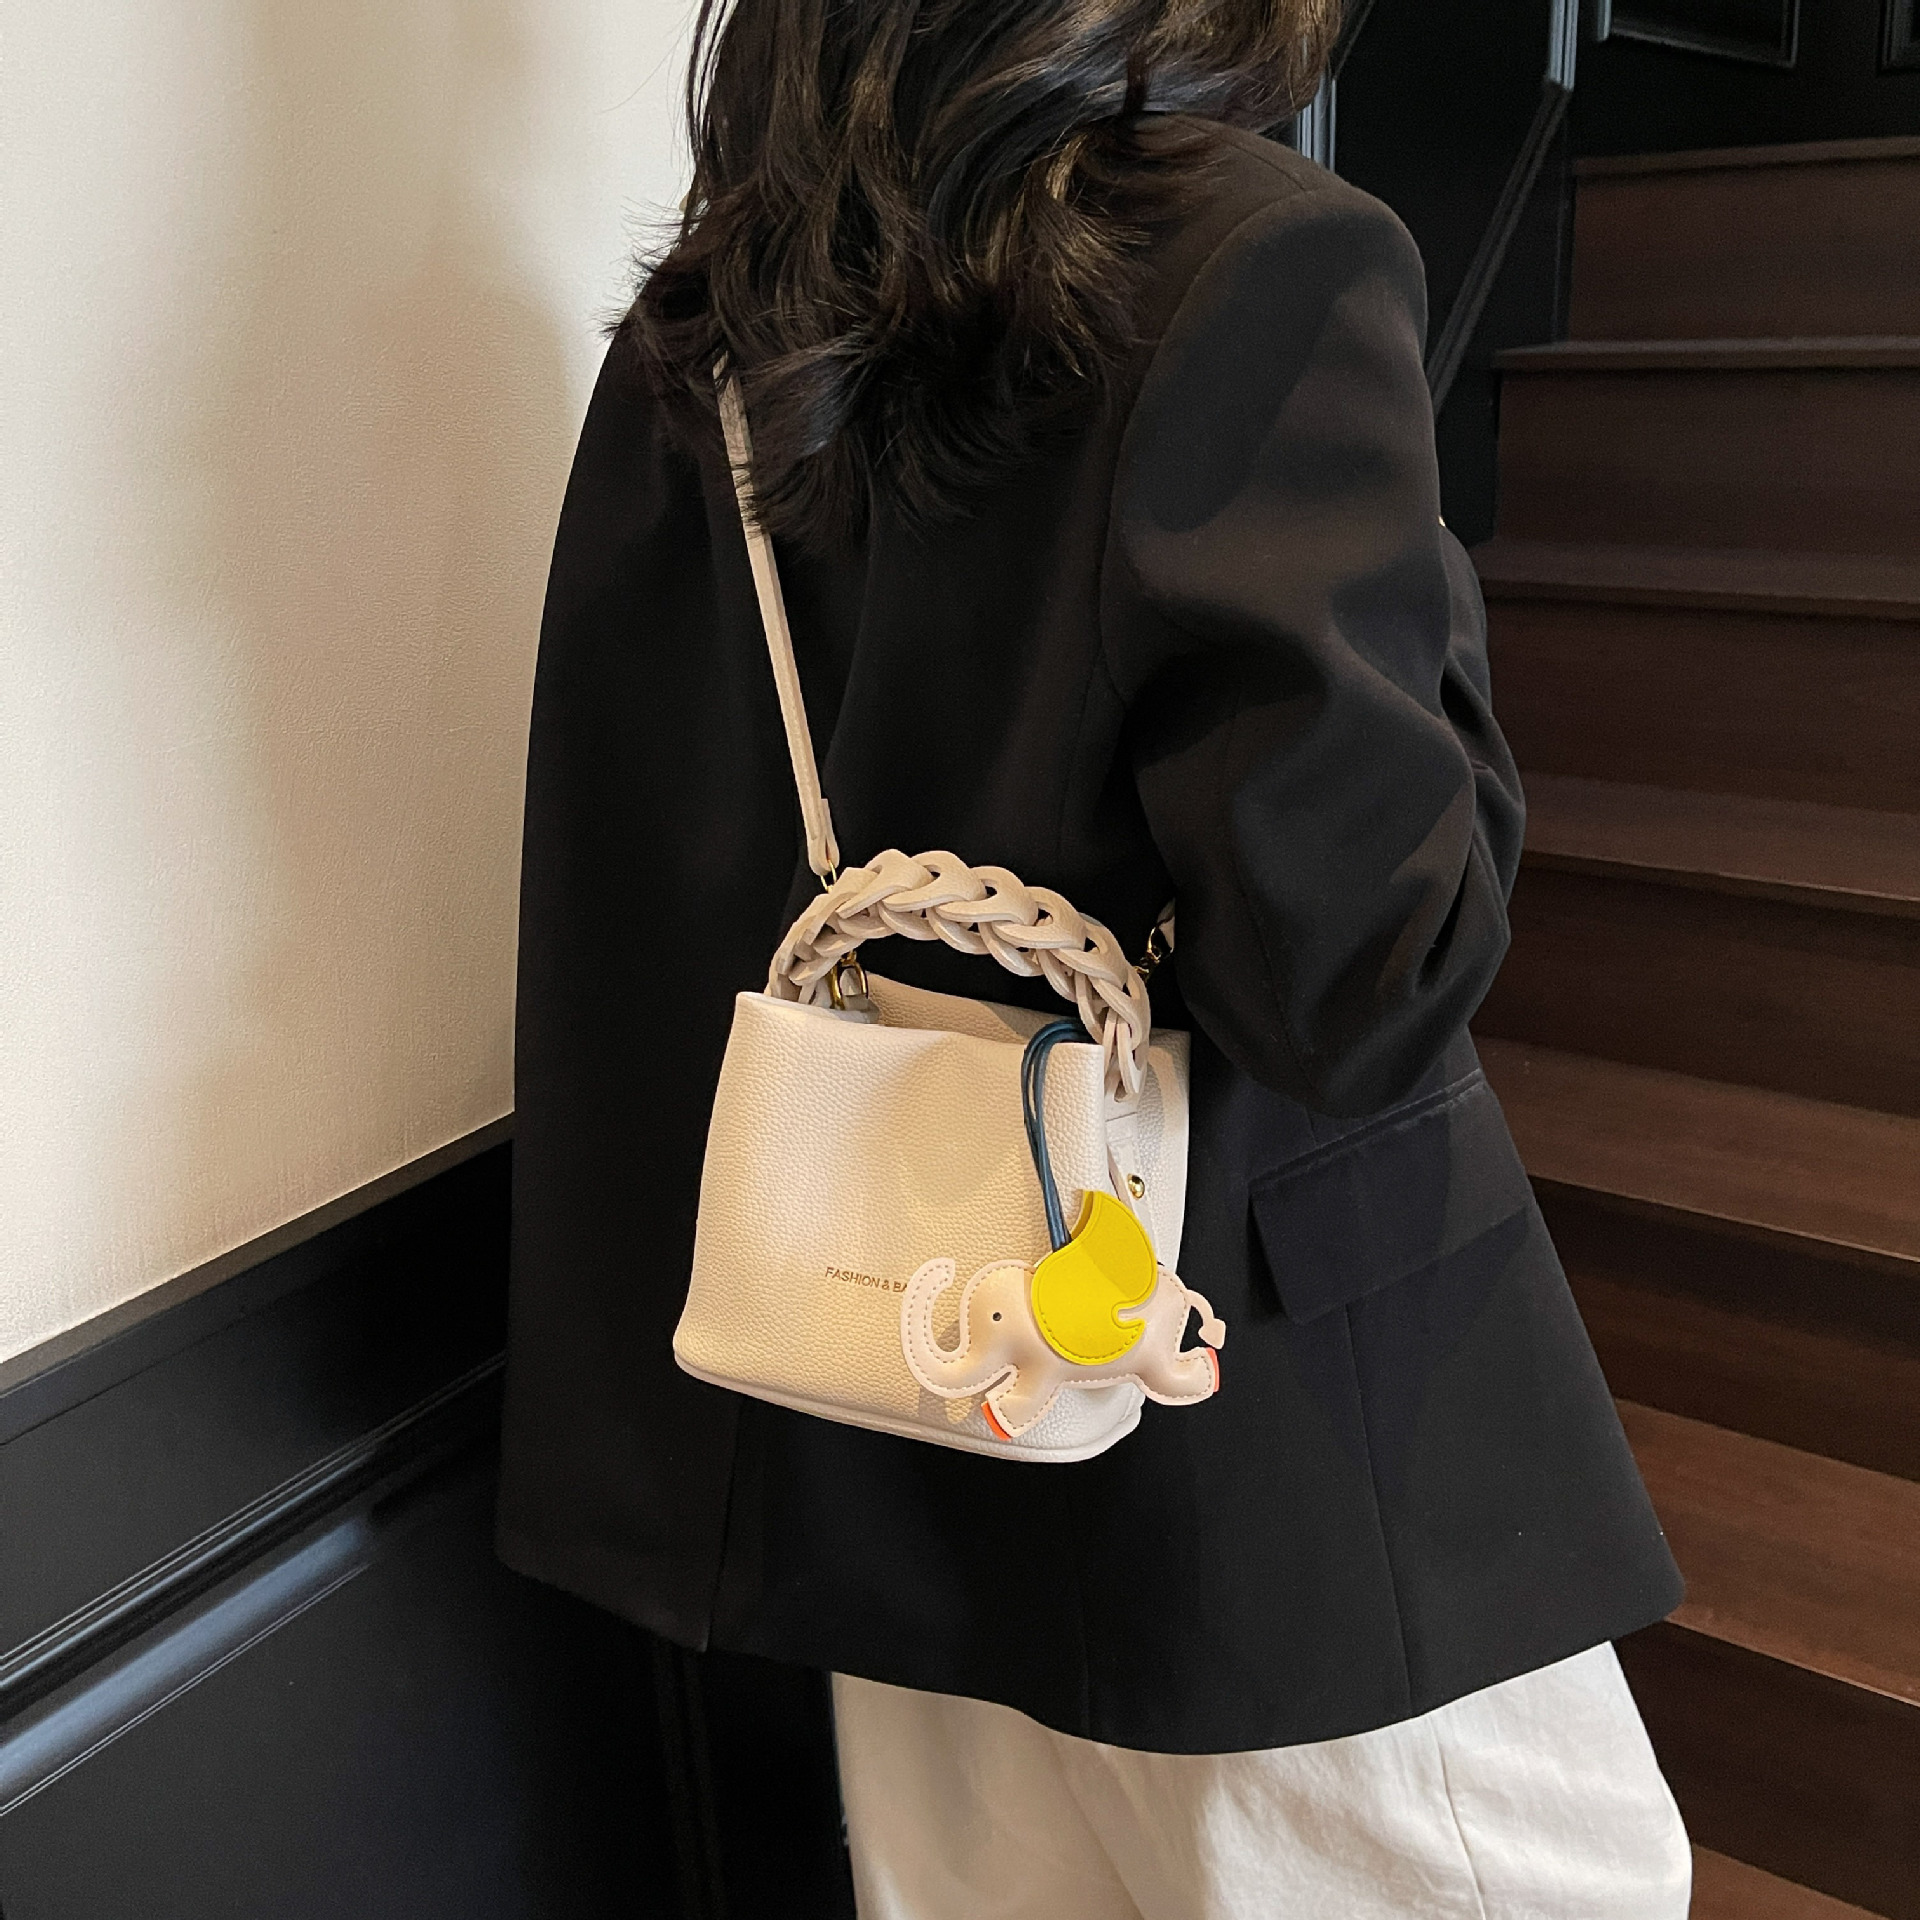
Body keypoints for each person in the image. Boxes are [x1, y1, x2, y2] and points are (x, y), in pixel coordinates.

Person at [496, 1, 1692, 1913]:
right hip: (1260, 1448)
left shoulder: (708, 330)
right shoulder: (1255, 258)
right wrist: (1416, 572)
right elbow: (1371, 982)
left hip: (887, 1389)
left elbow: (664, 872)